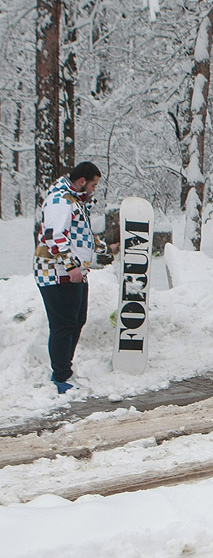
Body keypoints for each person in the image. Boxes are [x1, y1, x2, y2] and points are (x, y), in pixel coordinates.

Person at [34, 161, 116, 393]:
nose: (94, 189)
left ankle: (65, 370)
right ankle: (60, 377)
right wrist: (70, 266)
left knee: (77, 321)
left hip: (75, 272)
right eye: (93, 184)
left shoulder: (76, 202)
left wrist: (106, 249)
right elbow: (54, 235)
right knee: (64, 324)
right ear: (82, 181)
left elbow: (83, 236)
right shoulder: (60, 200)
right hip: (56, 272)